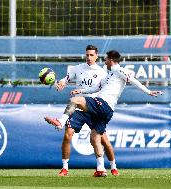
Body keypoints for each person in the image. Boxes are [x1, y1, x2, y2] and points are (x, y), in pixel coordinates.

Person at [45, 50, 163, 177]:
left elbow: (133, 80)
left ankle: (60, 122)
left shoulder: (119, 70)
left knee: (75, 100)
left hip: (103, 104)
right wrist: (81, 90)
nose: (104, 61)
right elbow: (96, 88)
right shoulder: (108, 75)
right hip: (106, 111)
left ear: (111, 60)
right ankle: (101, 169)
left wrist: (148, 91)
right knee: (95, 138)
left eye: (106, 59)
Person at [46, 45, 119, 177]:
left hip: (94, 108)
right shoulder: (77, 68)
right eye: (87, 55)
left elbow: (102, 89)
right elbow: (67, 78)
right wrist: (62, 82)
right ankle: (64, 168)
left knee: (104, 141)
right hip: (79, 109)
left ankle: (113, 166)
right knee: (68, 135)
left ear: (96, 56)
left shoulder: (103, 72)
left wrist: (83, 92)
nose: (89, 57)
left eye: (92, 55)